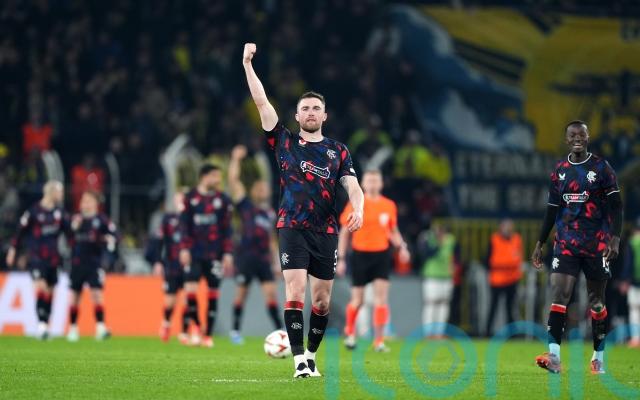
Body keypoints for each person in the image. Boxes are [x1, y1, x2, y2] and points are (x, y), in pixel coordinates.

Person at [243, 42, 364, 378]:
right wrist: (248, 64)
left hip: (326, 231)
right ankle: (299, 362)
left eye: (316, 109)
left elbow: (353, 186)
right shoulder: (283, 141)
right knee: (294, 291)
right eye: (305, 108)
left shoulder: (338, 151)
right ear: (297, 116)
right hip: (292, 226)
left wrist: (359, 208)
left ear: (324, 116)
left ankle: (311, 355)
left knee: (321, 301)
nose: (311, 112)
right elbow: (261, 102)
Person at [532, 120, 623, 374]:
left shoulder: (602, 168)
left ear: (588, 136)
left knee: (596, 302)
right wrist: (540, 243)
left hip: (597, 244)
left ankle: (598, 358)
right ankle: (554, 357)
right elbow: (551, 211)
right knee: (559, 294)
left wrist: (615, 238)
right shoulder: (559, 170)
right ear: (566, 140)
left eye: (581, 135)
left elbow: (617, 206)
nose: (577, 139)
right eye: (572, 135)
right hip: (566, 243)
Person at [337, 170, 410, 352]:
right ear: (363, 183)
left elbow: (393, 230)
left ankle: (379, 341)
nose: (372, 184)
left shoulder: (389, 205)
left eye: (375, 180)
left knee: (381, 300)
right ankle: (350, 332)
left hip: (381, 254)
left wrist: (402, 247)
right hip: (360, 254)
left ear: (381, 184)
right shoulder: (355, 204)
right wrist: (342, 258)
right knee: (358, 300)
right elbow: (345, 232)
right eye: (369, 181)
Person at [227, 144, 283, 344]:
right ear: (253, 191)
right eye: (260, 187)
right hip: (246, 256)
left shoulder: (269, 213)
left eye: (265, 187)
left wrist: (276, 262)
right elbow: (233, 181)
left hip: (263, 259)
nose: (263, 190)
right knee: (242, 294)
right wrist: (236, 159)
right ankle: (235, 330)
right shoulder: (246, 206)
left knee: (271, 294)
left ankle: (280, 332)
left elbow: (272, 239)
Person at [6, 180, 71, 339]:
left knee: (49, 292)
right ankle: (41, 325)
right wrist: (13, 250)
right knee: (40, 288)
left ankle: (45, 324)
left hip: (54, 258)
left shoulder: (60, 213)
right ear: (51, 192)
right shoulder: (34, 211)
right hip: (37, 257)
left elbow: (70, 234)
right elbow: (20, 231)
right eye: (60, 192)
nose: (62, 195)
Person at [179, 164, 234, 348]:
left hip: (214, 254)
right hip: (194, 252)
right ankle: (196, 327)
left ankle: (208, 335)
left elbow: (227, 229)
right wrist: (184, 248)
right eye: (214, 176)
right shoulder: (190, 198)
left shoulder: (223, 200)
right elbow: (184, 225)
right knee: (190, 290)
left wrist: (227, 252)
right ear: (204, 176)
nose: (218, 180)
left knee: (213, 294)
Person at [66, 191, 118, 342]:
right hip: (77, 262)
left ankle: (100, 327)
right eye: (83, 201)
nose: (85, 204)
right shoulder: (76, 219)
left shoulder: (102, 220)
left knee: (97, 294)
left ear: (95, 203)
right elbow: (68, 238)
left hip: (95, 263)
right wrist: (73, 228)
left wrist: (106, 242)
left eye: (88, 201)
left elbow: (115, 236)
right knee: (75, 296)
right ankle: (73, 328)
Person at [151, 190, 189, 344]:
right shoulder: (168, 219)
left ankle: (184, 332)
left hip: (188, 265)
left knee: (188, 299)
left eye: (183, 199)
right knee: (170, 301)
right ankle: (166, 324)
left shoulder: (191, 219)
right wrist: (158, 262)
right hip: (172, 265)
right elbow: (159, 242)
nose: (180, 202)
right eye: (178, 198)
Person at [485, 219, 523, 336]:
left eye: (510, 227)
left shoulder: (517, 239)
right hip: (497, 280)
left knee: (510, 308)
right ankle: (487, 332)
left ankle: (511, 334)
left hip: (512, 279)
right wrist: (504, 264)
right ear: (501, 228)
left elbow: (518, 258)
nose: (508, 229)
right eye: (506, 227)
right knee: (493, 307)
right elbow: (488, 260)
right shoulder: (494, 239)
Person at [418, 223, 456, 338]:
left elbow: (457, 256)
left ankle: (439, 332)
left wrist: (455, 266)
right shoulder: (427, 239)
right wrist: (438, 244)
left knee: (444, 304)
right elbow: (426, 254)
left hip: (446, 276)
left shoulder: (451, 240)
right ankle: (428, 332)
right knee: (430, 303)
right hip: (431, 276)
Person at [627, 219, 640, 348]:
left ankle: (636, 339)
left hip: (634, 281)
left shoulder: (633, 242)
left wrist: (624, 279)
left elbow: (628, 263)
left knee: (634, 310)